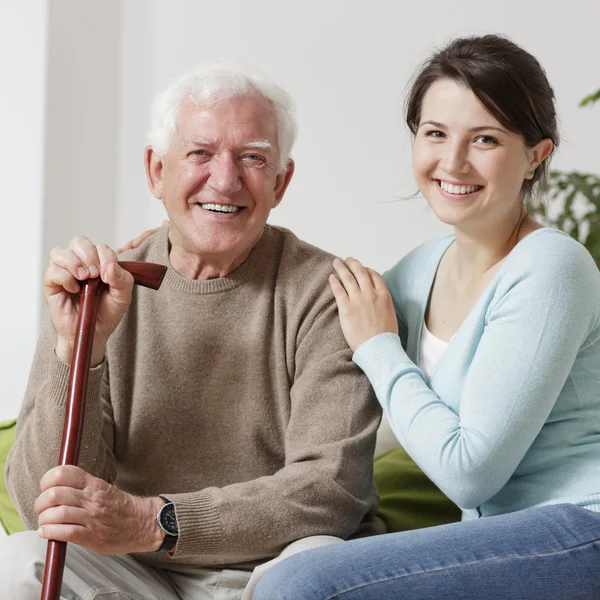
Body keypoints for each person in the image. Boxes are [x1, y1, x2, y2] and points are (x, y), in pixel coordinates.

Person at [1, 64, 382, 599]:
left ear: (281, 182)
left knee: (315, 567)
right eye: (200, 153)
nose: (225, 180)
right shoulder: (98, 285)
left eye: (252, 157)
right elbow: (43, 502)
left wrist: (157, 521)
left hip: (265, 574)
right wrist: (77, 352)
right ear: (157, 170)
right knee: (19, 562)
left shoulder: (327, 292)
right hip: (135, 575)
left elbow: (330, 489)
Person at [253, 34, 600, 599]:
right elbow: (310, 314)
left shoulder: (552, 267)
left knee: (303, 586)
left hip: (582, 529)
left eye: (485, 139)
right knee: (296, 559)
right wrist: (178, 249)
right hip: (500, 537)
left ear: (536, 155)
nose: (453, 161)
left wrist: (380, 348)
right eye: (435, 134)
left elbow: (470, 475)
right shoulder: (418, 272)